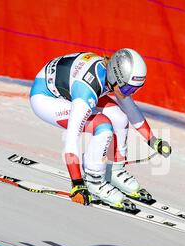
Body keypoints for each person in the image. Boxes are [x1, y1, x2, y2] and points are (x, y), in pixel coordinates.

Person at [29, 48, 171, 211]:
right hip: (45, 99)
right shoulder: (86, 90)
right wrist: (77, 183)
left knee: (120, 116)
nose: (129, 93)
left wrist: (153, 141)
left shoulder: (113, 77)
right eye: (127, 89)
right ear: (114, 77)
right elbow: (71, 139)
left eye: (135, 89)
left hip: (68, 85)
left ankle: (114, 170)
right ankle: (94, 180)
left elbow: (130, 109)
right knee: (103, 126)